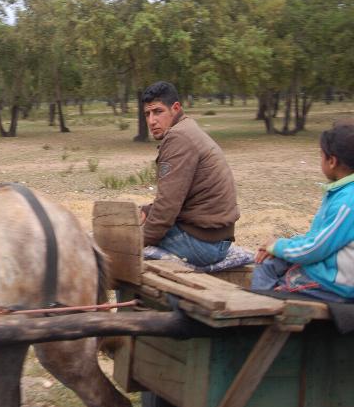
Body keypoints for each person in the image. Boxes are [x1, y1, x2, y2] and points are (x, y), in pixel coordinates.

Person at [139, 81, 240, 266]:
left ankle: (134, 295)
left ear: (175, 108)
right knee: (136, 227)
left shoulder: (178, 138)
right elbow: (176, 196)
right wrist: (147, 210)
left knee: (121, 244)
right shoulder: (187, 129)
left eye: (158, 111)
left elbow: (167, 208)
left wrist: (136, 241)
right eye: (147, 113)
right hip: (215, 239)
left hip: (203, 244)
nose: (152, 120)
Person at [251, 121, 354, 302]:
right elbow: (318, 237)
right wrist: (283, 245)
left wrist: (276, 246)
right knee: (273, 262)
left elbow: (316, 248)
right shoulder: (342, 193)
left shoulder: (348, 201)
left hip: (336, 283)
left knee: (268, 268)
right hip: (331, 270)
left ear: (332, 161)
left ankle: (258, 313)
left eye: (321, 155)